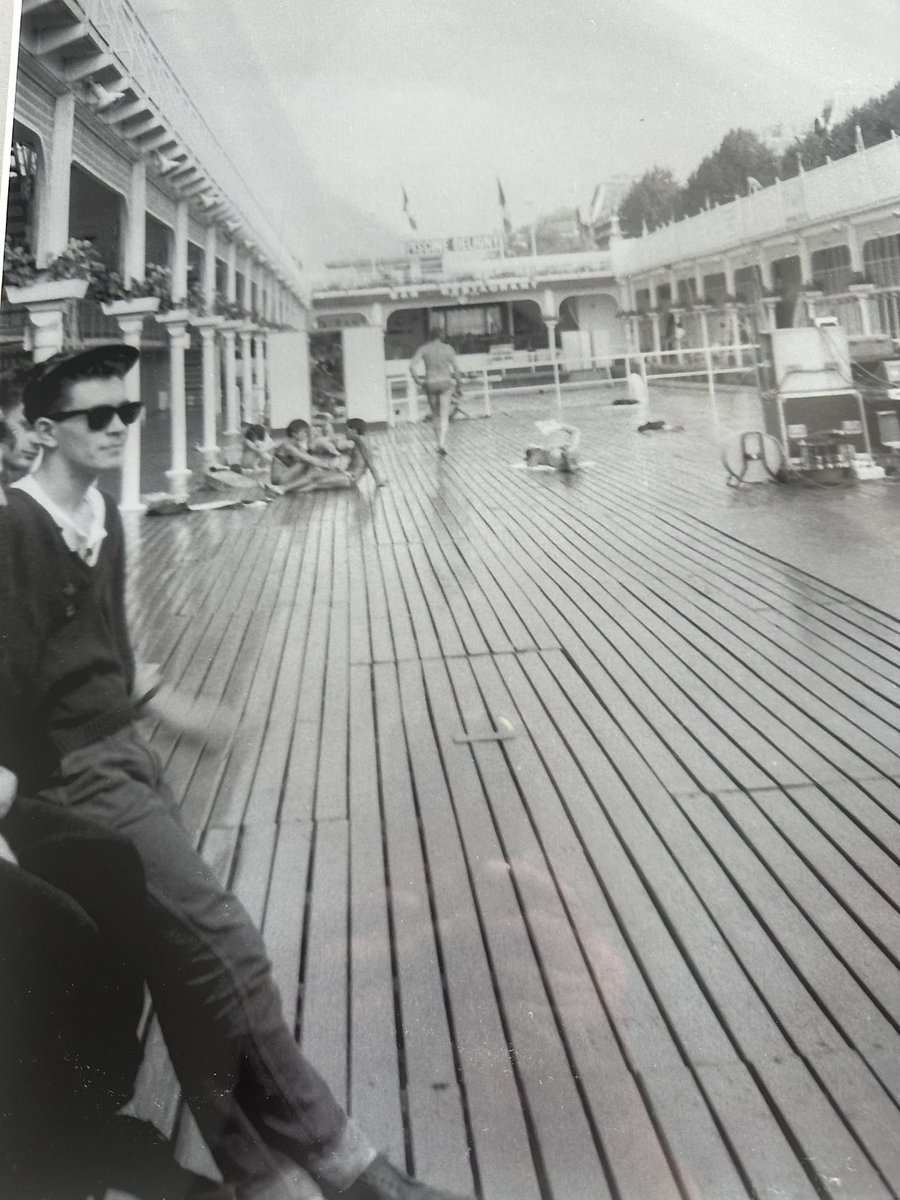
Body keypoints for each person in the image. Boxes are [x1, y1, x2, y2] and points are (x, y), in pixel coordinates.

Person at [0, 345, 470, 1200]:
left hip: (125, 760)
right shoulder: (15, 528)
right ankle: (350, 1168)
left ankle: (262, 1181)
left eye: (127, 414)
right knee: (228, 953)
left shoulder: (98, 514)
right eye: (95, 416)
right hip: (69, 780)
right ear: (41, 429)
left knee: (186, 975)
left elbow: (104, 651)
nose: (116, 428)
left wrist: (167, 705)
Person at [409, 324, 463, 456]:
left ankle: (437, 442)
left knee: (435, 414)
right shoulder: (448, 349)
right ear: (442, 336)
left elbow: (411, 366)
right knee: (444, 415)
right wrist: (459, 384)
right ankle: (442, 443)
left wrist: (418, 381)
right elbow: (456, 369)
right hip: (445, 383)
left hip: (430, 383)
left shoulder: (424, 349)